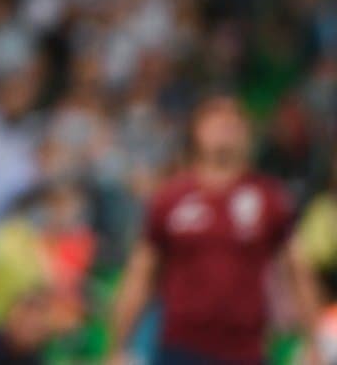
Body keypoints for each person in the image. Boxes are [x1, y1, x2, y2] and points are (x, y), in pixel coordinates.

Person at [107, 96, 319, 365]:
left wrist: (313, 341)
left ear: (247, 134)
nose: (225, 126)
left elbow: (298, 271)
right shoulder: (170, 199)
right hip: (181, 348)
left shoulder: (269, 199)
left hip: (245, 351)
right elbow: (141, 274)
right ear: (197, 131)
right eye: (216, 119)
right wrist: (118, 346)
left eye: (233, 120)